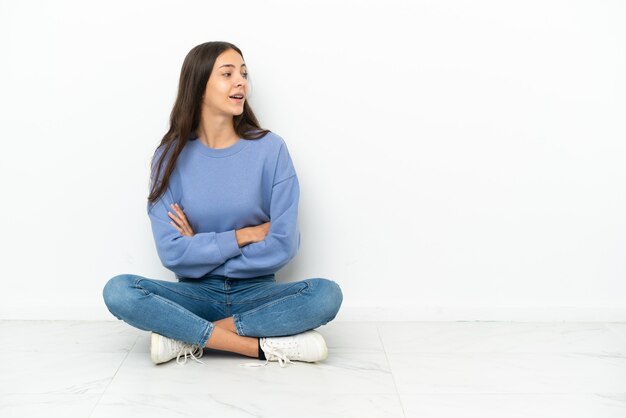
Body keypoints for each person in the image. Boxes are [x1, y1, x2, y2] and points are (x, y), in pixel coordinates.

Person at [102, 41, 343, 368]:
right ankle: (258, 347)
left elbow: (282, 246)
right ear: (199, 86)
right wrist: (242, 236)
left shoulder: (271, 150)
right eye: (227, 74)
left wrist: (198, 249)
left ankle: (186, 336)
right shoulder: (169, 157)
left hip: (257, 296)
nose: (240, 81)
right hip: (194, 295)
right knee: (119, 291)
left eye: (243, 74)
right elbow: (172, 254)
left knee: (326, 295)